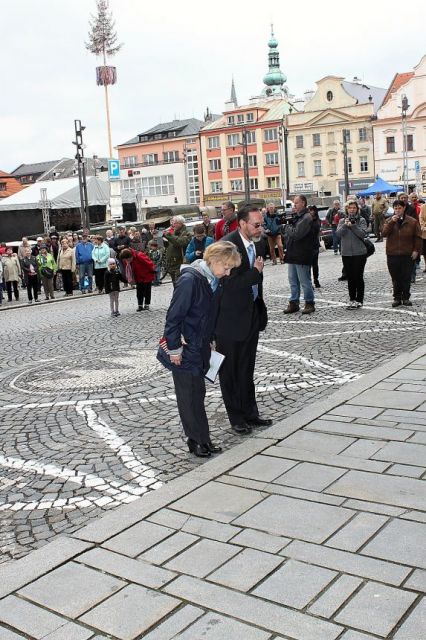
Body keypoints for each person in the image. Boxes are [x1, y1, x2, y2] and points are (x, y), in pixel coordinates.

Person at [157, 241, 241, 457]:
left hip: (200, 344)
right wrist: (174, 349)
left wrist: (211, 339)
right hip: (185, 347)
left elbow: (208, 315)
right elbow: (173, 318)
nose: (228, 272)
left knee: (198, 394)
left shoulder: (211, 279)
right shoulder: (190, 280)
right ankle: (196, 440)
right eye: (226, 267)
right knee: (189, 397)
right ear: (214, 261)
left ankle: (203, 438)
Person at [215, 205, 271, 435]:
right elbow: (226, 284)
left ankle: (250, 412)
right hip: (229, 321)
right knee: (230, 372)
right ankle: (236, 418)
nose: (261, 229)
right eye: (256, 225)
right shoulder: (226, 246)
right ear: (242, 224)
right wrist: (254, 273)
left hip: (251, 317)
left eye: (262, 224)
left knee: (247, 369)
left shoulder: (256, 243)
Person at [382, 199, 422, 307]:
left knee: (406, 277)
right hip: (392, 253)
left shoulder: (412, 221)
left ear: (404, 208)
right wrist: (392, 222)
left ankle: (406, 297)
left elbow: (418, 237)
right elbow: (384, 233)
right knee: (395, 277)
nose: (398, 210)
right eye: (395, 208)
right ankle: (397, 297)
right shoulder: (389, 220)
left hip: (407, 253)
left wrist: (416, 250)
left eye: (400, 208)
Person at [283, 195, 317, 315]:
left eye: (296, 203)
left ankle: (309, 302)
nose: (294, 206)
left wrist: (287, 227)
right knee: (292, 280)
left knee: (304, 280)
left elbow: (296, 234)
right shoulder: (298, 217)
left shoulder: (306, 217)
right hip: (293, 253)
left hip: (302, 253)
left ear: (303, 203)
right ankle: (294, 302)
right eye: (294, 203)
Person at [336, 200, 367, 309]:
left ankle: (360, 300)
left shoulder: (361, 220)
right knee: (350, 277)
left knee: (358, 276)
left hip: (360, 253)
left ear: (357, 209)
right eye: (350, 208)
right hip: (346, 253)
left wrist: (353, 226)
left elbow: (363, 234)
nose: (352, 210)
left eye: (354, 208)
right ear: (347, 209)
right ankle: (352, 299)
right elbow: (338, 234)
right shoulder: (341, 221)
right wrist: (345, 225)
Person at [163, 215, 191, 285]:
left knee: (180, 285)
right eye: (173, 223)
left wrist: (169, 236)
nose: (173, 224)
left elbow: (180, 242)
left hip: (180, 264)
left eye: (175, 223)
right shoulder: (173, 232)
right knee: (175, 285)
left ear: (180, 223)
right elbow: (168, 246)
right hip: (172, 264)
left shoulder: (187, 233)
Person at [308, 205, 321, 288]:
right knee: (308, 265)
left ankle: (316, 279)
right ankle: (309, 282)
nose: (311, 212)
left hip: (314, 244)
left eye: (312, 210)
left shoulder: (316, 220)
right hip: (307, 245)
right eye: (309, 210)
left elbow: (315, 229)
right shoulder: (306, 219)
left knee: (315, 264)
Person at [420, 202, 426, 272]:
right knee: (425, 251)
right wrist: (423, 226)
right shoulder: (423, 207)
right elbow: (421, 218)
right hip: (425, 233)